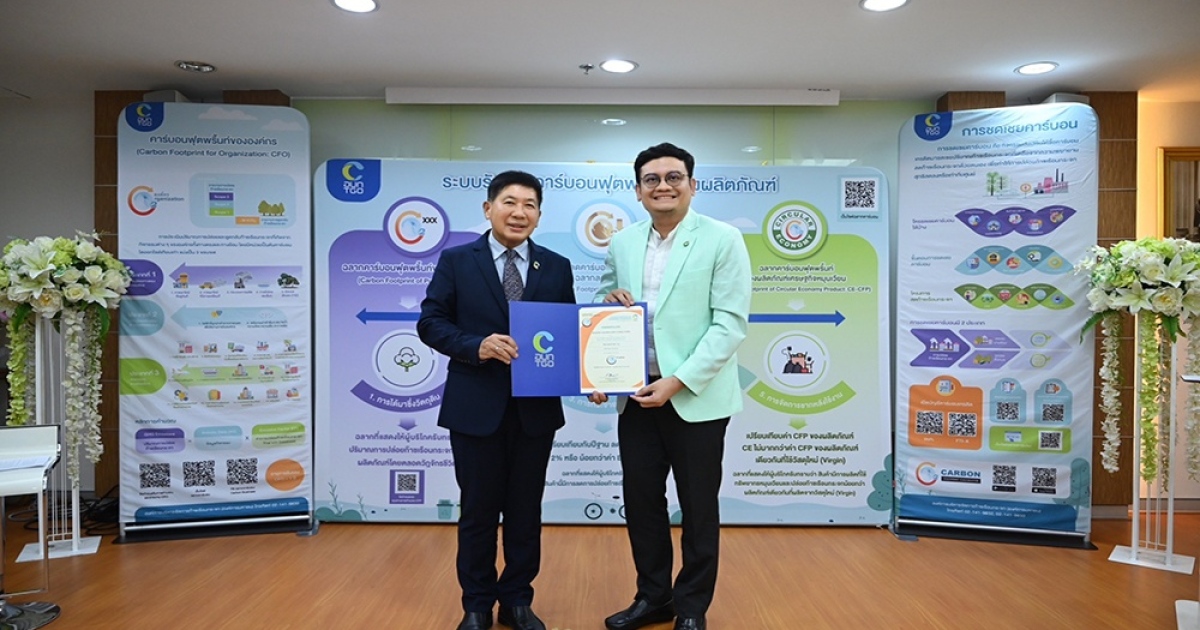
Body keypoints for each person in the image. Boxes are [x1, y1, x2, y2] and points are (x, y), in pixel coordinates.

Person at [590, 143, 751, 630]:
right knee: (642, 503)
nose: (663, 186)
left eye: (673, 177)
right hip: (637, 395)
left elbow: (729, 324)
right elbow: (601, 305)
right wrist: (607, 309)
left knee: (699, 508)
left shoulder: (723, 239)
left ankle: (692, 607)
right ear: (638, 191)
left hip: (695, 397)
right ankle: (653, 597)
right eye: (652, 179)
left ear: (692, 185)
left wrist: (677, 382)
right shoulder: (622, 242)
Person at [418, 170, 576, 630]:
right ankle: (476, 605)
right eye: (510, 202)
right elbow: (430, 323)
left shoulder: (557, 266)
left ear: (539, 215)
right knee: (478, 512)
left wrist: (593, 371)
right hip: (475, 408)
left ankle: (517, 601)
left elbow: (566, 333)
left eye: (529, 205)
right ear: (489, 209)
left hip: (535, 411)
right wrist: (477, 345)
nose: (519, 212)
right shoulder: (456, 261)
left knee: (526, 512)